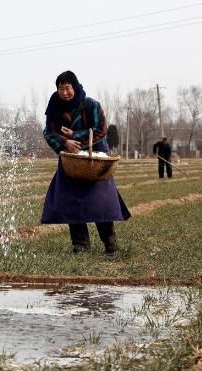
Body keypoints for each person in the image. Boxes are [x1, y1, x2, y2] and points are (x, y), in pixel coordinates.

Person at [41, 70, 131, 256]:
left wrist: (76, 137)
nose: (64, 93)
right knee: (72, 203)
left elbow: (101, 130)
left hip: (96, 161)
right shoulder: (54, 109)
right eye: (60, 88)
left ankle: (110, 246)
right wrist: (65, 143)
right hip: (70, 161)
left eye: (68, 88)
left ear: (75, 87)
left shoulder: (91, 105)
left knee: (100, 203)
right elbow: (48, 133)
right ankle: (80, 247)